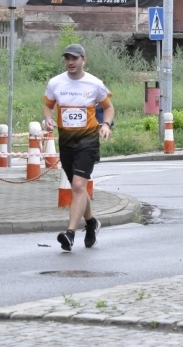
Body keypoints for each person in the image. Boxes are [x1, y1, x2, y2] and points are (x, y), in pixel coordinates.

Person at [43, 44, 114, 251]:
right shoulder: (55, 83)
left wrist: (106, 125)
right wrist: (47, 119)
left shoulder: (94, 83)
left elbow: (108, 107)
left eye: (74, 58)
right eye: (67, 58)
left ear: (84, 59)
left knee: (78, 186)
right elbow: (48, 106)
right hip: (66, 142)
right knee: (79, 189)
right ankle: (91, 223)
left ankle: (70, 233)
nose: (70, 62)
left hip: (88, 141)